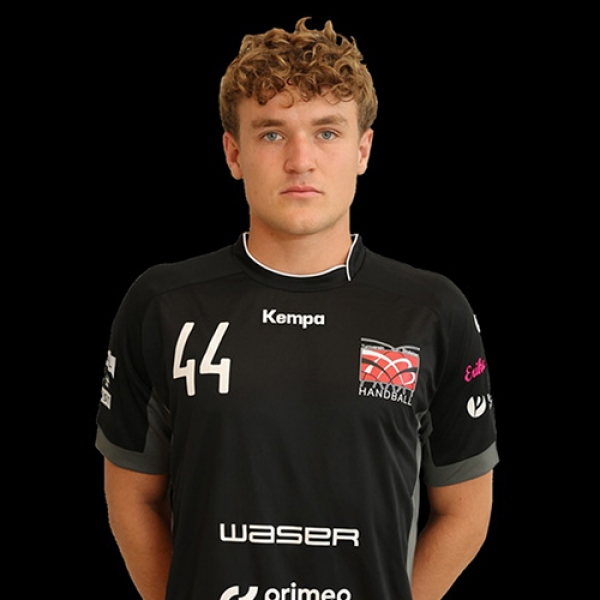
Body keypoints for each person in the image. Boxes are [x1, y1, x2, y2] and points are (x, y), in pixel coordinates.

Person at [96, 17, 498, 600]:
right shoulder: (162, 303)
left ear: (363, 149)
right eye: (271, 134)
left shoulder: (432, 311)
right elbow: (132, 497)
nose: (300, 160)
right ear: (234, 152)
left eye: (327, 132)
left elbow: (466, 510)